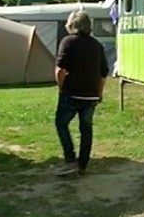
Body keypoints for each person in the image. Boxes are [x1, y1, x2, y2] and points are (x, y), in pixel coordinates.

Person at [54, 10, 109, 177]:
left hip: (72, 92)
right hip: (91, 93)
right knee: (86, 129)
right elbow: (103, 73)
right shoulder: (97, 45)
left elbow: (60, 70)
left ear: (71, 25)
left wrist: (62, 88)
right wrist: (99, 93)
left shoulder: (68, 41)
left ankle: (70, 159)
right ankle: (82, 165)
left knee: (61, 123)